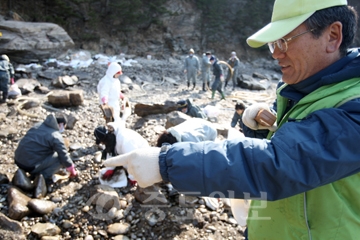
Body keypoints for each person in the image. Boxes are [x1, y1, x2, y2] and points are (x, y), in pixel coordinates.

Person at [102, 1, 360, 239]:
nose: (275, 54)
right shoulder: (301, 91)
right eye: (273, 44)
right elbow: (290, 152)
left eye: (284, 41)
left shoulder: (355, 105)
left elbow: (280, 164)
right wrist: (255, 128)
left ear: (332, 36)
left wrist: (166, 163)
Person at [14, 114, 77, 181]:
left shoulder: (38, 125)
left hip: (18, 160)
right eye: (64, 126)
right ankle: (41, 177)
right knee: (60, 158)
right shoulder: (55, 136)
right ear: (60, 125)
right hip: (30, 165)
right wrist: (72, 170)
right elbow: (64, 156)